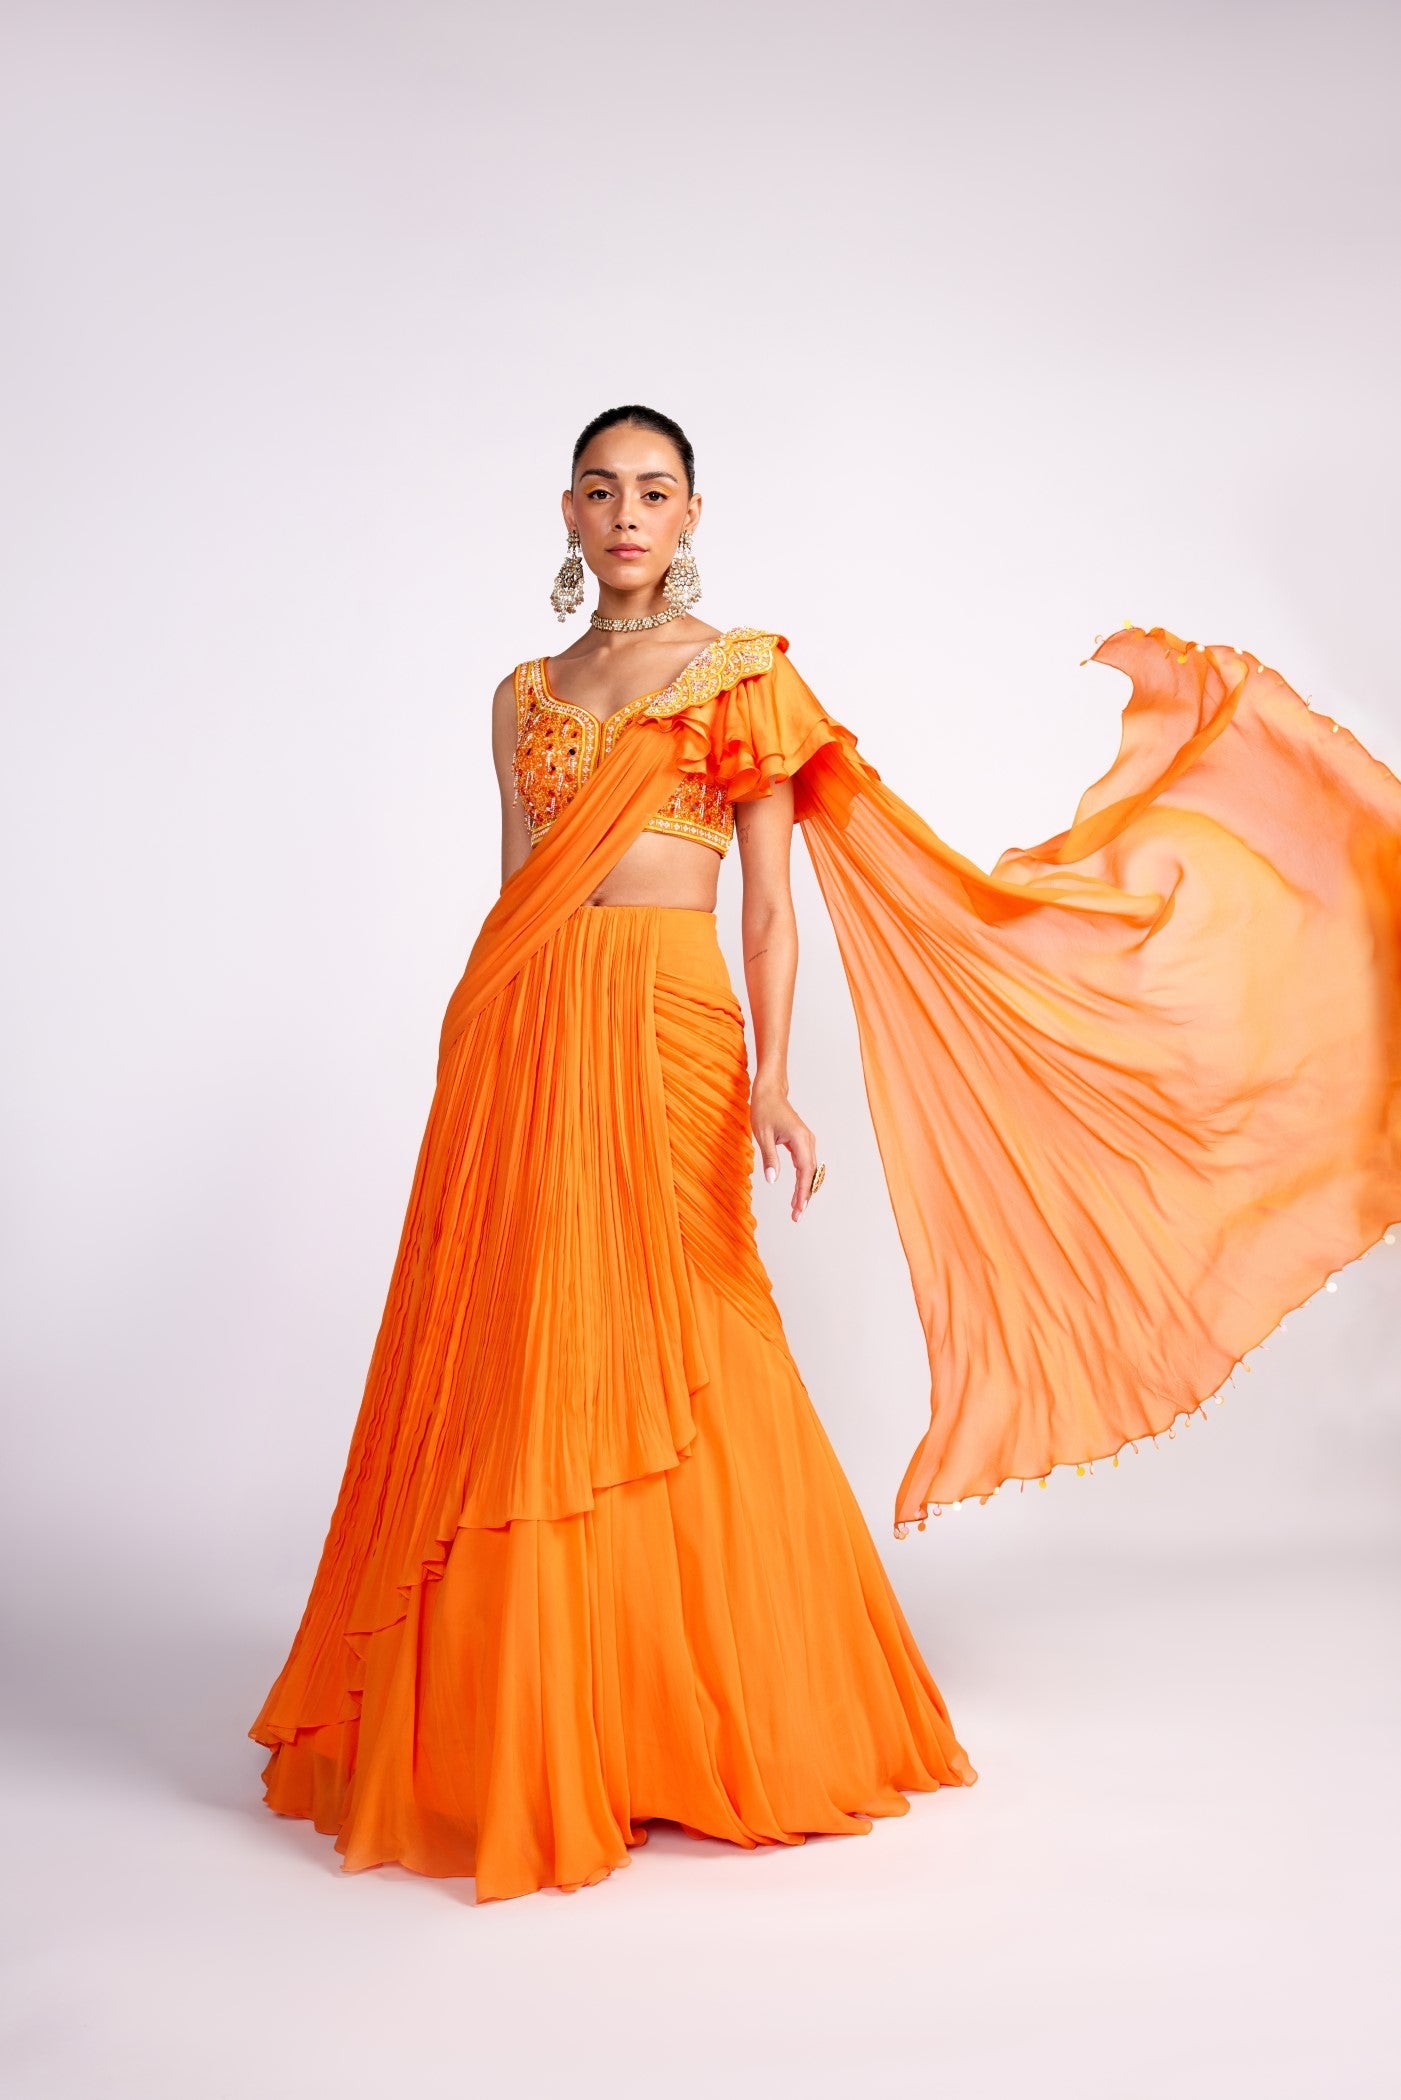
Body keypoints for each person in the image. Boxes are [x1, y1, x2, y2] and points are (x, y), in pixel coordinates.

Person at [250, 404, 1401, 1904]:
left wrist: (778, 1080)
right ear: (567, 511)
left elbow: (770, 905)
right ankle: (545, 1718)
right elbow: (516, 884)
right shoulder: (518, 693)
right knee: (530, 1334)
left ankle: (715, 1703)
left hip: (668, 1014)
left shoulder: (743, 676)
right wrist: (474, 1043)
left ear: (690, 513)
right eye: (600, 490)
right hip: (519, 1029)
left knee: (687, 1326)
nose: (625, 514)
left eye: (652, 490)